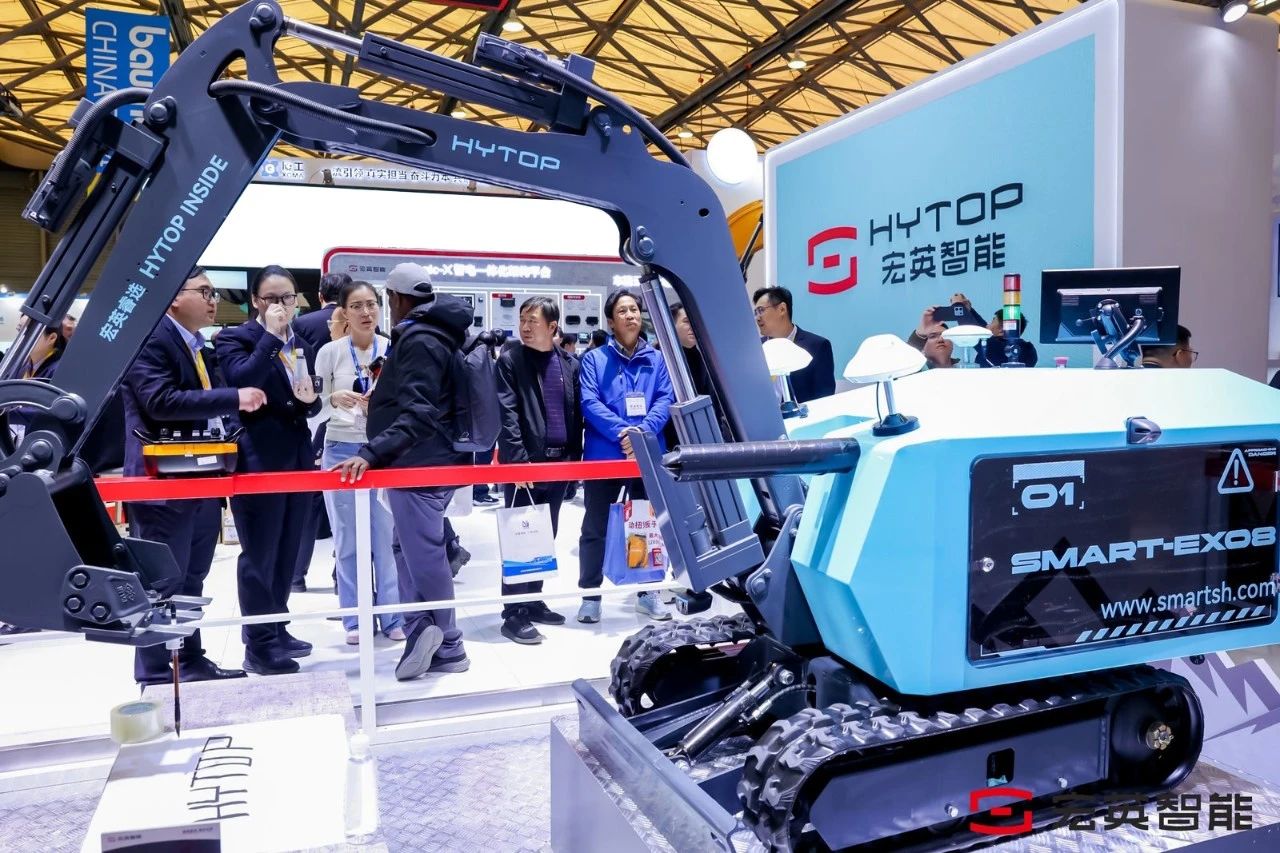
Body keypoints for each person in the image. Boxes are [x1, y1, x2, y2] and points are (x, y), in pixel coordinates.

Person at [120, 266, 264, 685]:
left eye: (213, 292)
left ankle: (187, 658)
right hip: (162, 485)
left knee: (191, 578)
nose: (213, 300)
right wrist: (233, 397)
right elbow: (160, 401)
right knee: (161, 581)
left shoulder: (197, 345)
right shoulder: (151, 338)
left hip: (198, 477)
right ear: (173, 297)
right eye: (204, 291)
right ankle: (154, 670)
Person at [332, 262, 473, 681]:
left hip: (418, 466)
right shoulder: (436, 334)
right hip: (429, 463)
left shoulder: (420, 339)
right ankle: (420, 628)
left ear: (394, 298)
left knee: (424, 554)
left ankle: (449, 644)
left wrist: (372, 452)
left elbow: (419, 413)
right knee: (406, 549)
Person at [216, 265, 322, 676]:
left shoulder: (301, 342)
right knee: (260, 552)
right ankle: (258, 645)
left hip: (297, 455)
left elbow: (306, 397)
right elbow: (240, 381)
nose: (282, 305)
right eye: (273, 298)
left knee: (287, 548)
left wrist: (311, 401)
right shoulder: (235, 338)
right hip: (258, 457)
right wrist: (270, 338)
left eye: (288, 297)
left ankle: (276, 625)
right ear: (256, 301)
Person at [313, 281, 405, 646]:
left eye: (371, 304)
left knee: (386, 539)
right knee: (347, 540)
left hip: (382, 451)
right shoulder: (329, 352)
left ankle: (392, 615)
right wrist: (334, 399)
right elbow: (312, 411)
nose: (366, 312)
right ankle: (354, 618)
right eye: (356, 306)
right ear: (344, 312)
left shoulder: (394, 349)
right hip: (339, 449)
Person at [576, 288, 675, 624]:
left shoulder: (656, 359)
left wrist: (642, 433)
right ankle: (590, 595)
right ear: (611, 321)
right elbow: (589, 402)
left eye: (634, 309)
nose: (631, 315)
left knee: (646, 525)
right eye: (623, 311)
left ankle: (647, 593)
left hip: (647, 454)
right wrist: (625, 433)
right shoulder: (594, 359)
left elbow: (664, 399)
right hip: (605, 454)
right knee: (596, 526)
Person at [494, 296, 580, 644]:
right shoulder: (511, 360)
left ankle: (532, 600)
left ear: (552, 326)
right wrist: (517, 462)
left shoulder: (569, 363)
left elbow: (576, 416)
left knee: (546, 535)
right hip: (525, 466)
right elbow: (507, 414)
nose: (525, 327)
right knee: (520, 537)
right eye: (522, 320)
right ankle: (513, 613)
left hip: (560, 465)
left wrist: (574, 465)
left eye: (533, 320)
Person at [290, 272, 351, 592]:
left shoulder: (301, 324)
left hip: (312, 411)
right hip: (350, 417)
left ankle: (296, 576)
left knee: (310, 496)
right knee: (350, 503)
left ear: (319, 295)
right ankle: (343, 576)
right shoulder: (365, 326)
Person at [752, 286, 835, 402]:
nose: (757, 318)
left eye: (761, 310)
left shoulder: (817, 346)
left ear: (782, 309)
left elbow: (824, 397)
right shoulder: (755, 348)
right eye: (755, 313)